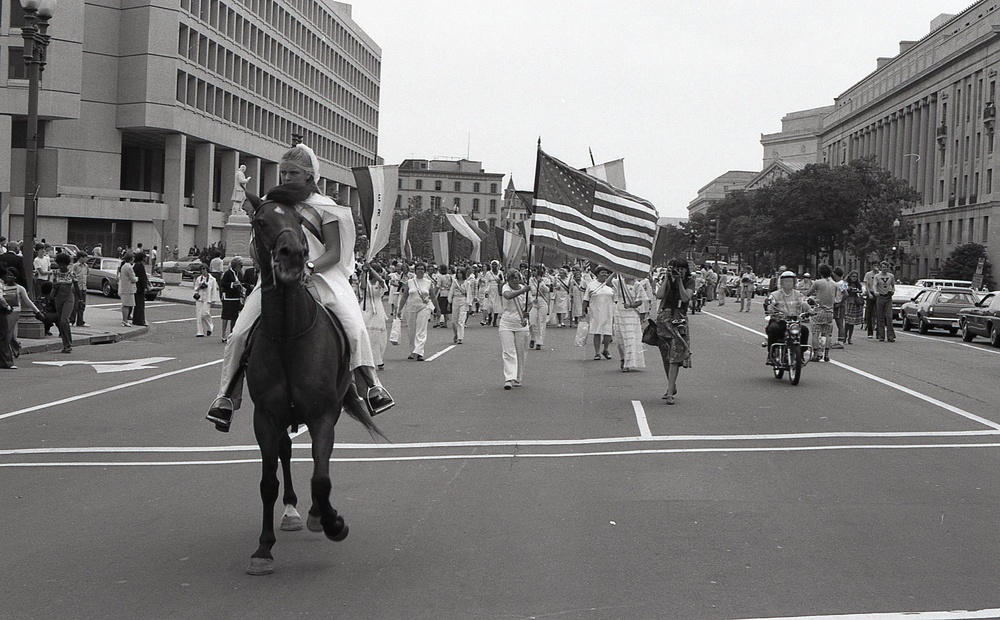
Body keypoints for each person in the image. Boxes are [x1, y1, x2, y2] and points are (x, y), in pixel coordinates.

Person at [207, 143, 394, 432]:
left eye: (292, 173)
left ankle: (370, 385)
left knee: (354, 326)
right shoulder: (272, 202)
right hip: (276, 277)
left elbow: (333, 252)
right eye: (283, 173)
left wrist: (308, 268)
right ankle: (227, 396)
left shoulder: (326, 208)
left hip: (320, 276)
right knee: (239, 333)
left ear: (310, 176)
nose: (285, 178)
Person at [654, 259, 694, 404]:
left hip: (679, 320)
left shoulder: (690, 281)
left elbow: (685, 297)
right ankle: (672, 385)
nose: (679, 272)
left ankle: (670, 392)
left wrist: (680, 282)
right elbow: (659, 295)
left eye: (682, 269)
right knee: (666, 355)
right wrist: (667, 278)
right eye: (676, 269)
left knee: (675, 356)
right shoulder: (668, 280)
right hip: (664, 319)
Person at [764, 271, 812, 365]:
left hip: (794, 321)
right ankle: (771, 354)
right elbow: (770, 303)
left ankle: (800, 354)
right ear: (781, 283)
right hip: (779, 320)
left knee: (805, 330)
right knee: (773, 328)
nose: (788, 283)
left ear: (794, 282)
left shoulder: (798, 294)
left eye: (790, 281)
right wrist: (770, 309)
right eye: (786, 281)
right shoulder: (775, 294)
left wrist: (810, 310)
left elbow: (803, 303)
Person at [1, 268, 44, 369]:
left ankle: (7, 356)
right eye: (7, 274)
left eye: (11, 275)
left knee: (7, 335)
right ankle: (14, 349)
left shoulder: (20, 288)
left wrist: (37, 311)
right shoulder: (2, 287)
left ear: (15, 277)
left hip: (14, 312)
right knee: (8, 335)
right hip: (3, 312)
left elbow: (28, 301)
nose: (9, 277)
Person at [397, 262, 436, 361]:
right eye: (418, 268)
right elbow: (404, 296)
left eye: (422, 269)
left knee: (421, 330)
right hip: (411, 308)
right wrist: (399, 309)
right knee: (411, 330)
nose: (420, 270)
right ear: (415, 270)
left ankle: (419, 352)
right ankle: (412, 351)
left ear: (424, 270)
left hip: (424, 307)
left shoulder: (428, 282)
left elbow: (433, 296)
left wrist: (437, 309)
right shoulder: (410, 282)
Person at [498, 268, 530, 389]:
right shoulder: (506, 287)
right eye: (512, 278)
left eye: (517, 277)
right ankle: (509, 378)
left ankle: (518, 377)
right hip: (506, 323)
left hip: (521, 324)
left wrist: (527, 312)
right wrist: (523, 291)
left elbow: (530, 303)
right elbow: (508, 296)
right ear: (508, 279)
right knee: (508, 351)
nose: (515, 280)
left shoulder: (524, 288)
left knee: (520, 351)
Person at [613, 275, 647, 372]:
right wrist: (616, 270)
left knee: (630, 338)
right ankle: (623, 359)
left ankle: (628, 363)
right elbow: (607, 283)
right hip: (619, 313)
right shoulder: (619, 282)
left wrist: (631, 305)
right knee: (620, 339)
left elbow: (640, 301)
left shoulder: (637, 285)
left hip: (631, 314)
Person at [806, 263, 838, 362]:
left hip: (819, 310)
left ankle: (816, 354)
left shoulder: (818, 282)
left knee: (816, 333)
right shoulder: (834, 284)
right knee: (827, 333)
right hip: (830, 311)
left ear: (820, 272)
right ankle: (826, 355)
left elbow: (808, 293)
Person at [583, 266, 615, 360]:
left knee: (608, 332)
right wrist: (583, 311)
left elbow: (616, 299)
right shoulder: (591, 285)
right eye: (602, 272)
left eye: (606, 273)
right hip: (596, 311)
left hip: (608, 311)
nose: (604, 274)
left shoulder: (611, 285)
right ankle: (597, 353)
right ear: (597, 274)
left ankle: (606, 349)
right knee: (597, 332)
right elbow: (585, 299)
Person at [49, 252, 78, 354]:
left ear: (67, 264)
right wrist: (51, 298)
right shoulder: (56, 273)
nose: (61, 266)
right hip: (58, 298)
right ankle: (65, 343)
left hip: (69, 297)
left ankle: (68, 344)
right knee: (60, 322)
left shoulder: (71, 273)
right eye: (60, 264)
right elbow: (54, 287)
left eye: (63, 264)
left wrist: (80, 300)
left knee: (65, 320)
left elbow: (76, 287)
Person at [361, 263, 388, 370]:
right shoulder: (365, 281)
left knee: (377, 335)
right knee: (366, 334)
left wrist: (371, 269)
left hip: (377, 309)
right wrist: (364, 272)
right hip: (366, 308)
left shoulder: (380, 282)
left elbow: (381, 281)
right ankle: (367, 359)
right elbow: (362, 286)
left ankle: (378, 359)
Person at [219, 256, 244, 341]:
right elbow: (223, 284)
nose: (241, 267)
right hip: (228, 297)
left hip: (236, 297)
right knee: (226, 316)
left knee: (234, 317)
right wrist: (232, 284)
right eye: (240, 265)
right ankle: (223, 335)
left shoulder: (239, 274)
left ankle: (231, 333)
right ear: (236, 265)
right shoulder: (228, 273)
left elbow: (242, 283)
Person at [527, 265, 551, 350]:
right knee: (531, 321)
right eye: (532, 270)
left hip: (542, 301)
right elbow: (528, 291)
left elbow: (548, 290)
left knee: (541, 321)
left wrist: (541, 282)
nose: (533, 272)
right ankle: (532, 338)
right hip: (533, 301)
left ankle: (539, 341)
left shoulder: (546, 280)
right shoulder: (530, 280)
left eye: (535, 270)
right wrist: (532, 299)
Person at [872, 260, 896, 342]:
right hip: (880, 297)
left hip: (888, 297)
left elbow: (893, 285)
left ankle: (890, 336)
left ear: (888, 268)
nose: (884, 268)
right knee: (880, 317)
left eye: (885, 267)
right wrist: (875, 292)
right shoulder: (877, 276)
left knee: (889, 317)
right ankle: (881, 335)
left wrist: (892, 291)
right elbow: (874, 285)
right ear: (880, 268)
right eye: (882, 267)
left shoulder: (891, 276)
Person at [193, 262, 218, 337]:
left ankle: (210, 327)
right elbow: (195, 288)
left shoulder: (212, 279)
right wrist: (200, 286)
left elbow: (214, 290)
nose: (203, 271)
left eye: (204, 269)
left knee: (205, 313)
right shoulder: (199, 278)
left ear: (207, 269)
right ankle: (200, 332)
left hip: (207, 298)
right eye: (201, 269)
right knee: (199, 315)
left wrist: (214, 299)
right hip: (200, 298)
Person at [448, 267, 471, 345]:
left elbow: (468, 293)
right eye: (458, 273)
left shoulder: (467, 283)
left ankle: (460, 337)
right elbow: (451, 292)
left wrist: (469, 304)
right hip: (455, 300)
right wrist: (449, 302)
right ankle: (456, 334)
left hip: (463, 300)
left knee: (461, 320)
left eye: (461, 273)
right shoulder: (454, 282)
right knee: (454, 321)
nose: (459, 274)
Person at [842, 270, 864, 345]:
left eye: (856, 276)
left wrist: (858, 291)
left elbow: (861, 291)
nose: (855, 278)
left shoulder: (858, 284)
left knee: (852, 322)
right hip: (848, 302)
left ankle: (850, 338)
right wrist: (849, 289)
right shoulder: (846, 283)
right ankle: (844, 337)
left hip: (856, 303)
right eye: (853, 276)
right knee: (847, 321)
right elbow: (843, 291)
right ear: (850, 276)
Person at [480, 261, 503, 327]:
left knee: (496, 305)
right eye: (493, 264)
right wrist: (486, 291)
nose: (494, 266)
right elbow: (486, 282)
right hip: (490, 289)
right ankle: (489, 317)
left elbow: (502, 281)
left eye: (495, 264)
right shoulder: (488, 273)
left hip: (497, 290)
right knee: (489, 305)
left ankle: (495, 321)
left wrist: (500, 281)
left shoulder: (500, 273)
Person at [69, 252, 89, 326]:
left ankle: (80, 321)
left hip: (83, 287)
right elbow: (71, 275)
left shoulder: (86, 266)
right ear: (81, 257)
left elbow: (87, 274)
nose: (86, 259)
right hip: (77, 288)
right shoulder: (75, 266)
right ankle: (71, 320)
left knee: (82, 305)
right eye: (85, 257)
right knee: (75, 305)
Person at [118, 253, 138, 327]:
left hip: (124, 287)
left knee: (125, 305)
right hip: (129, 288)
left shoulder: (123, 266)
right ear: (131, 259)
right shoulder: (129, 267)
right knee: (127, 305)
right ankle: (125, 320)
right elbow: (133, 279)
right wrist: (137, 278)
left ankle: (124, 320)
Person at [131, 251, 149, 327]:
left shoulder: (136, 265)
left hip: (136, 287)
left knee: (137, 304)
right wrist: (145, 287)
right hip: (139, 288)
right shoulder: (140, 266)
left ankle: (136, 319)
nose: (146, 258)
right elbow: (142, 278)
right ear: (142, 258)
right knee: (140, 305)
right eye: (145, 257)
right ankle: (140, 320)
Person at [862, 263, 880, 339]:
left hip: (878, 294)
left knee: (879, 313)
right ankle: (870, 332)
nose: (876, 267)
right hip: (871, 293)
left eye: (877, 266)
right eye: (875, 266)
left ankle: (879, 332)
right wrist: (869, 293)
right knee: (869, 313)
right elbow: (866, 285)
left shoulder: (880, 274)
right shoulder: (868, 274)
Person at [433, 264, 453, 328]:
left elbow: (438, 285)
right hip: (448, 292)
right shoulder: (449, 276)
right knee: (446, 309)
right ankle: (445, 322)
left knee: (440, 308)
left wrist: (434, 293)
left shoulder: (439, 276)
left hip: (442, 293)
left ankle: (438, 321)